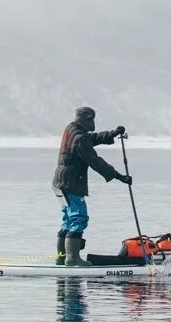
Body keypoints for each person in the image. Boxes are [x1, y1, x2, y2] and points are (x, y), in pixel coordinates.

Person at [51, 106, 132, 265]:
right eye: (91, 119)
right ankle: (72, 259)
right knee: (79, 218)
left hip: (59, 183)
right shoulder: (80, 138)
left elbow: (91, 139)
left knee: (68, 219)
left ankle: (61, 257)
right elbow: (95, 162)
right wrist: (119, 176)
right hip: (71, 184)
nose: (93, 122)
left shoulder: (72, 129)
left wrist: (113, 133)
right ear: (85, 120)